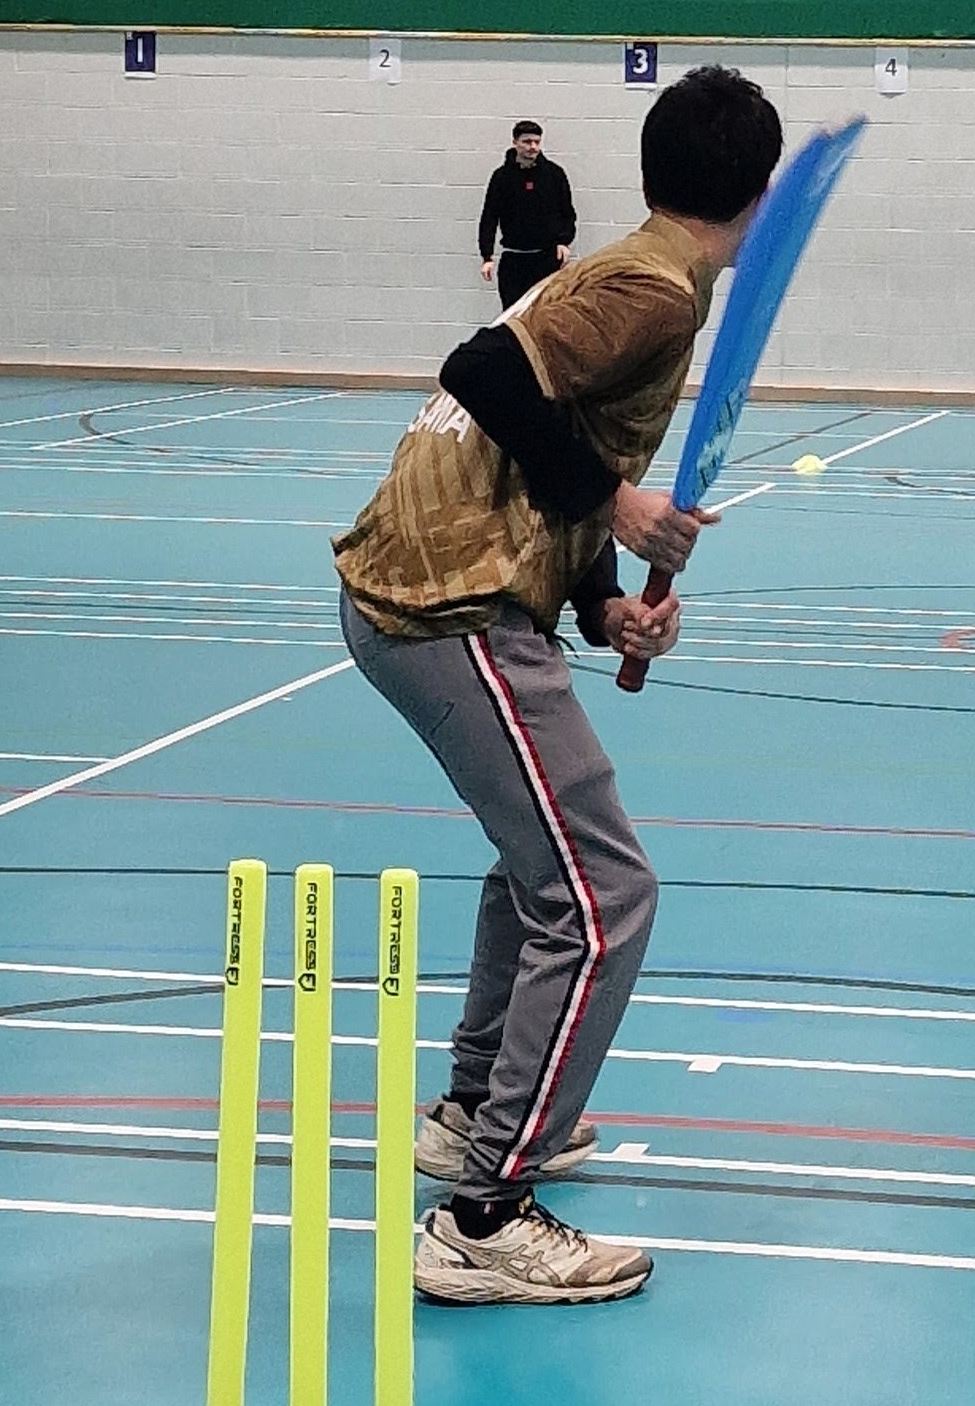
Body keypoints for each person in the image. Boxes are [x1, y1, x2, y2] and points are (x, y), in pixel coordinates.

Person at [336, 65, 783, 1306]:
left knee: (542, 860)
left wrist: (603, 602)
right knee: (603, 893)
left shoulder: (634, 272)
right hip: (443, 601)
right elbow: (481, 370)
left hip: (449, 588)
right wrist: (622, 504)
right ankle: (485, 1210)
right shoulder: (649, 287)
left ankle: (475, 1105)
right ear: (754, 194)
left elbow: (543, 450)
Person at [477, 119, 579, 312]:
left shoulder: (554, 174)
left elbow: (567, 212)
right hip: (514, 261)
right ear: (515, 142)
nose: (533, 147)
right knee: (513, 316)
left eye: (536, 142)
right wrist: (487, 255)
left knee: (546, 315)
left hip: (547, 259)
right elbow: (489, 217)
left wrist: (564, 241)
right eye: (527, 142)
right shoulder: (502, 177)